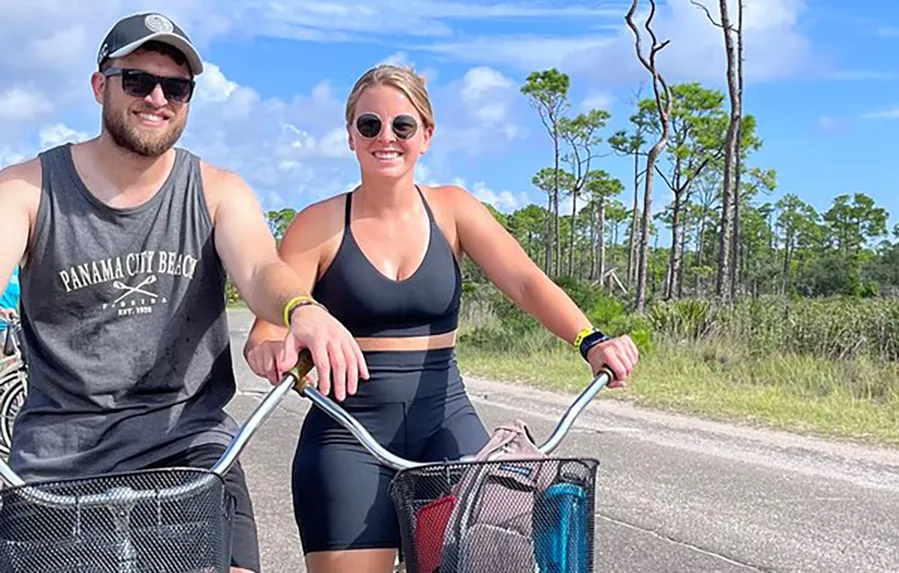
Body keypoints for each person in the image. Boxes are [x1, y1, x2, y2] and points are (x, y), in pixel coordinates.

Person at [0, 12, 365, 573]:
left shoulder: (218, 191)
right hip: (57, 458)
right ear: (101, 86)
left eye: (176, 87)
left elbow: (261, 267)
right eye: (137, 80)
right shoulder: (25, 189)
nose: (156, 98)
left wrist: (302, 309)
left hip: (190, 449)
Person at [242, 63, 640, 573]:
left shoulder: (454, 209)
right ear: (350, 136)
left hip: (445, 424)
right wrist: (275, 350)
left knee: (491, 560)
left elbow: (525, 281)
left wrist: (591, 340)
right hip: (347, 436)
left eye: (402, 126)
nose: (386, 137)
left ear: (426, 136)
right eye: (370, 125)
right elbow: (266, 330)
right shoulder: (316, 224)